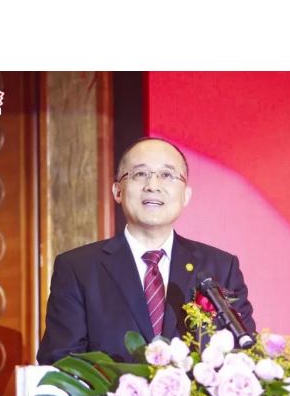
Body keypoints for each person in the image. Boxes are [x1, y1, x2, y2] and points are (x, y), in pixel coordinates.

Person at [37, 137, 255, 364]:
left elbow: (245, 356)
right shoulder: (78, 269)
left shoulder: (221, 268)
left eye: (167, 175)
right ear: (117, 191)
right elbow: (60, 363)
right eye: (140, 174)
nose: (153, 185)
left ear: (186, 195)